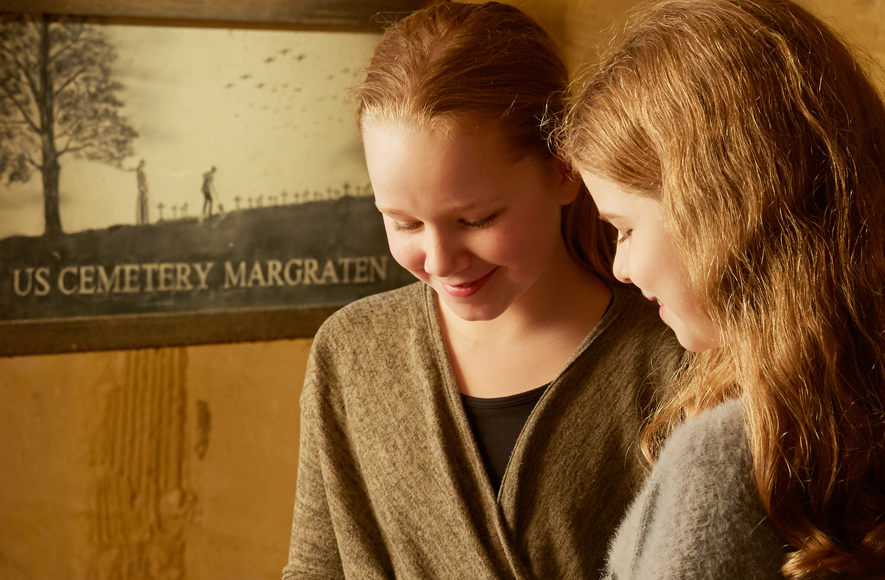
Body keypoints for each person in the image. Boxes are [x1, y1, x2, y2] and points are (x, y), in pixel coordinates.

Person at [558, 1, 885, 578]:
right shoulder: (882, 419)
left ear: (718, 216)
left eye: (624, 229)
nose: (619, 266)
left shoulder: (728, 459)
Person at [283, 3, 684, 578]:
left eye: (476, 220)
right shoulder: (349, 352)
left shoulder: (671, 363)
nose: (440, 260)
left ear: (564, 169)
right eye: (404, 223)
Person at [134, 159, 150, 225]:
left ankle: (145, 221)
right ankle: (140, 221)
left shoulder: (143, 173)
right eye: (142, 164)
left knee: (144, 205)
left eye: (143, 164)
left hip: (144, 190)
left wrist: (146, 188)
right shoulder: (139, 172)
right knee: (141, 205)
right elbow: (139, 182)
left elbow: (145, 182)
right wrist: (141, 188)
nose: (143, 166)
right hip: (141, 190)